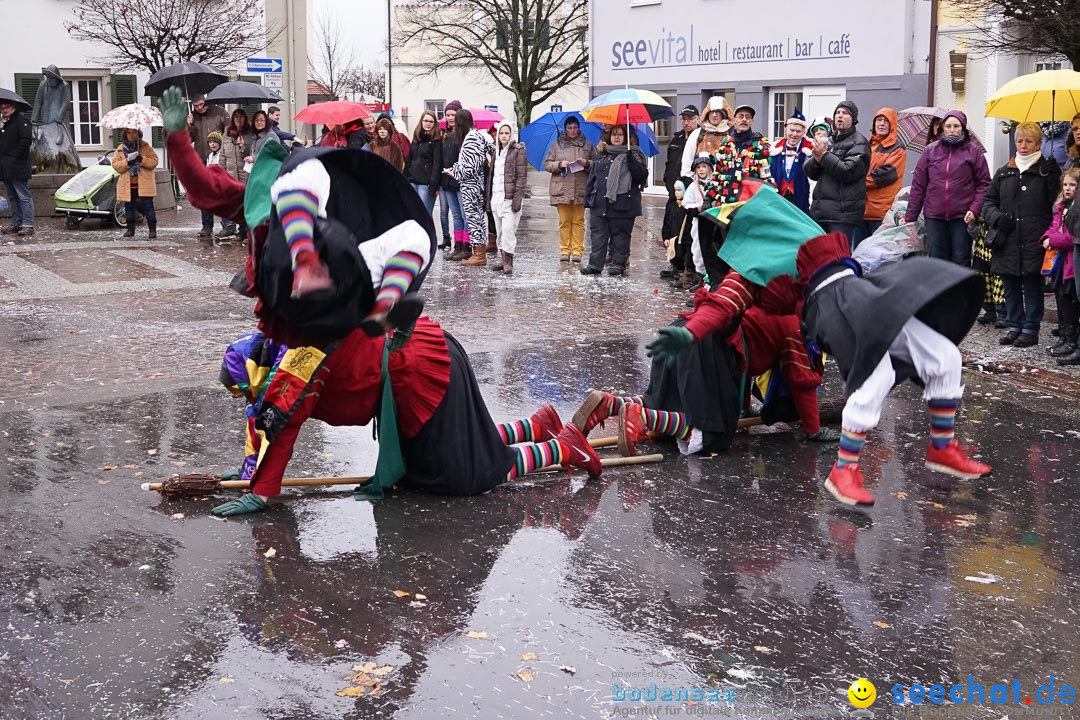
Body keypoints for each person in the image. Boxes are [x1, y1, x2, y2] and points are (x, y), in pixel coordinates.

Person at [211, 322, 603, 516]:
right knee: (440, 452)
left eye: (244, 390)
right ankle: (537, 425)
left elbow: (282, 429)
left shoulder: (292, 366)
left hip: (415, 370)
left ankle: (561, 447)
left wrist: (260, 492)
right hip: (411, 365)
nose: (246, 398)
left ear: (253, 373)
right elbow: (262, 423)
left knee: (464, 472)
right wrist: (248, 473)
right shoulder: (278, 348)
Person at [157, 85, 435, 344]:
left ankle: (386, 303)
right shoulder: (263, 195)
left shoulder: (335, 201)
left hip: (347, 301)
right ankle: (308, 263)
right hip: (292, 290)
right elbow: (203, 187)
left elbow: (383, 234)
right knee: (304, 179)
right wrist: (178, 138)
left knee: (413, 235)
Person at [578, 187, 841, 455]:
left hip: (684, 331)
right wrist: (813, 429)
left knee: (669, 403)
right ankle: (641, 417)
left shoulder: (758, 280)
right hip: (708, 349)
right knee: (711, 433)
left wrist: (743, 404)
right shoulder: (794, 320)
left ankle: (610, 405)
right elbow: (801, 381)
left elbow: (744, 350)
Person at [794, 232, 990, 507]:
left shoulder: (826, 246)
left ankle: (942, 445)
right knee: (874, 372)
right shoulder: (794, 266)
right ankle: (844, 469)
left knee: (944, 356)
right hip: (829, 303)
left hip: (858, 290)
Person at [982, 121, 1060, 348]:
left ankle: (1030, 327)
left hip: (1034, 237)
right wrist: (997, 218)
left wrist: (1053, 175)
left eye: (1028, 141)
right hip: (1007, 237)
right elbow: (988, 201)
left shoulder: (1046, 171)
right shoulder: (1004, 172)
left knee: (1032, 283)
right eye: (1019, 141)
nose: (1023, 145)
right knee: (1010, 282)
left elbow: (1056, 204)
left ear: (1038, 144)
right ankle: (1015, 324)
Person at [905, 110, 991, 266]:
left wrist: (975, 209)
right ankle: (940, 291)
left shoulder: (974, 152)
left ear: (963, 128)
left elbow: (984, 184)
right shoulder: (930, 151)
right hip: (934, 216)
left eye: (956, 126)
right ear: (942, 128)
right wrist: (910, 218)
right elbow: (918, 185)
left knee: (961, 259)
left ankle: (960, 291)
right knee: (937, 261)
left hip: (962, 217)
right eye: (948, 126)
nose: (952, 130)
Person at [581, 126, 648, 277]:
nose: (616, 137)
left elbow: (641, 176)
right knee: (598, 235)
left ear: (626, 137)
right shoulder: (602, 155)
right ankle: (595, 264)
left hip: (623, 204)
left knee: (621, 236)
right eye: (614, 134)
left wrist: (631, 161)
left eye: (620, 135)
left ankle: (618, 264)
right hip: (599, 203)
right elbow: (593, 178)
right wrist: (587, 198)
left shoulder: (635, 155)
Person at [804, 101, 870, 246]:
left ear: (854, 119)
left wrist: (825, 156)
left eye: (845, 113)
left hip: (843, 214)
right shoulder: (829, 141)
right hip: (821, 211)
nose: (840, 116)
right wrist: (817, 158)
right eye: (837, 113)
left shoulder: (860, 143)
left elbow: (848, 171)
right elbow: (810, 172)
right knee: (820, 256)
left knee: (838, 257)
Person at [543, 115, 595, 263]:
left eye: (575, 127)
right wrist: (559, 165)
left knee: (579, 221)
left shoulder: (588, 145)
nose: (573, 130)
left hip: (581, 188)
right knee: (564, 221)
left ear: (579, 128)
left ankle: (578, 250)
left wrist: (586, 163)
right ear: (565, 129)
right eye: (570, 127)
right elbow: (547, 164)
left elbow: (596, 164)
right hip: (562, 188)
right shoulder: (556, 145)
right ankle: (565, 250)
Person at [1042, 169, 1080, 363]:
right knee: (1061, 300)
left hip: (1071, 263)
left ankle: (1072, 340)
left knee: (1070, 301)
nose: (1068, 188)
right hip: (1058, 262)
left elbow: (1072, 236)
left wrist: (1053, 239)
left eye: (1072, 185)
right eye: (1065, 185)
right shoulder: (1060, 207)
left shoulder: (1075, 209)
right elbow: (1053, 227)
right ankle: (1065, 336)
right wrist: (1047, 237)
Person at [854, 108, 907, 247]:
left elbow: (884, 175)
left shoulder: (897, 149)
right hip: (861, 210)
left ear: (892, 125)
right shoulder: (867, 145)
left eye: (886, 121)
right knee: (859, 253)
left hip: (881, 213)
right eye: (879, 120)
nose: (882, 124)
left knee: (878, 256)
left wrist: (855, 180)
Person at [446, 109, 490, 266]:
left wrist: (454, 170)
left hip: (471, 187)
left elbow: (469, 168)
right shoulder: (477, 136)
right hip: (474, 185)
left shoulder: (471, 138)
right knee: (475, 218)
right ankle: (479, 252)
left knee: (474, 219)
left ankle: (479, 254)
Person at [661, 105, 699, 282]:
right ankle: (674, 263)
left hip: (689, 192)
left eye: (690, 118)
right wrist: (668, 180)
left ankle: (687, 266)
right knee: (671, 228)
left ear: (697, 119)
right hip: (673, 192)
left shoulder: (699, 138)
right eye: (683, 119)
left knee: (685, 231)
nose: (686, 122)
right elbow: (670, 163)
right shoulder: (676, 139)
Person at [486, 122, 527, 275]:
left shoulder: (518, 151)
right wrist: (489, 198)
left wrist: (517, 200)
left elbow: (521, 177)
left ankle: (509, 260)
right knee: (500, 231)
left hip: (509, 199)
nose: (503, 136)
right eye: (501, 133)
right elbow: (492, 176)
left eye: (506, 133)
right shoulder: (496, 152)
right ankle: (503, 258)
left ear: (511, 134)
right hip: (496, 198)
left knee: (509, 229)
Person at [187, 93, 229, 238]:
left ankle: (228, 226)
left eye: (201, 104)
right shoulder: (192, 116)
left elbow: (230, 131)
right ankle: (206, 226)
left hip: (221, 159)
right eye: (195, 106)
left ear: (206, 101)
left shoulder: (219, 112)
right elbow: (188, 138)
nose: (199, 108)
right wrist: (188, 125)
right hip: (202, 160)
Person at [111, 128, 159, 239]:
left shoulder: (146, 147)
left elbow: (154, 161)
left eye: (134, 133)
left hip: (144, 184)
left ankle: (152, 230)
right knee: (128, 208)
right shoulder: (120, 149)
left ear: (138, 134)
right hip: (128, 185)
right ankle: (130, 230)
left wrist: (142, 159)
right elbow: (115, 166)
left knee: (148, 208)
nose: (132, 135)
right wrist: (127, 161)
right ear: (125, 135)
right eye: (129, 133)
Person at [0, 99, 34, 237]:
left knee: (23, 196)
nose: (4, 110)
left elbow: (25, 141)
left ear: (13, 107)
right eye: (1, 108)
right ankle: (16, 223)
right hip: (5, 166)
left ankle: (28, 224)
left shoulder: (22, 121)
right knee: (12, 197)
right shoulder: (4, 123)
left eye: (6, 107)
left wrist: (14, 157)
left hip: (18, 165)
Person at [770, 110, 813, 216]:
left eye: (798, 131)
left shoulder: (811, 151)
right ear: (785, 130)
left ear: (803, 133)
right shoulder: (774, 149)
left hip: (801, 199)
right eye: (791, 130)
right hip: (778, 198)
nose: (794, 134)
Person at [218, 109, 252, 239]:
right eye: (236, 117)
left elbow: (251, 153)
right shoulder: (227, 132)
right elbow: (222, 155)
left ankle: (243, 231)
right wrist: (221, 173)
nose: (238, 119)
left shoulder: (249, 133)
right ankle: (229, 227)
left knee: (243, 204)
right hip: (229, 175)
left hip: (243, 175)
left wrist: (243, 146)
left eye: (241, 117)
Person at [681, 96, 732, 178]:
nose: (714, 115)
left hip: (725, 184)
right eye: (711, 112)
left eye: (717, 112)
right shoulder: (697, 134)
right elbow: (687, 161)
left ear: (724, 114)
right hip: (700, 184)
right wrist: (688, 181)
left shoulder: (731, 134)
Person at [440, 101, 467, 257]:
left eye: (453, 114)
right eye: (447, 115)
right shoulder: (446, 134)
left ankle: (466, 246)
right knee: (456, 215)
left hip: (460, 180)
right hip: (447, 181)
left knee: (464, 215)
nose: (450, 117)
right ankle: (457, 245)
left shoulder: (464, 134)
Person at [404, 110, 442, 215]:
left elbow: (437, 164)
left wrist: (433, 185)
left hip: (426, 183)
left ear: (435, 124)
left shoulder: (437, 141)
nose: (428, 124)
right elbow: (409, 159)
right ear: (421, 121)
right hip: (412, 180)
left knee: (424, 215)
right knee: (413, 215)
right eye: (425, 121)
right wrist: (405, 176)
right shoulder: (416, 138)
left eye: (431, 121)